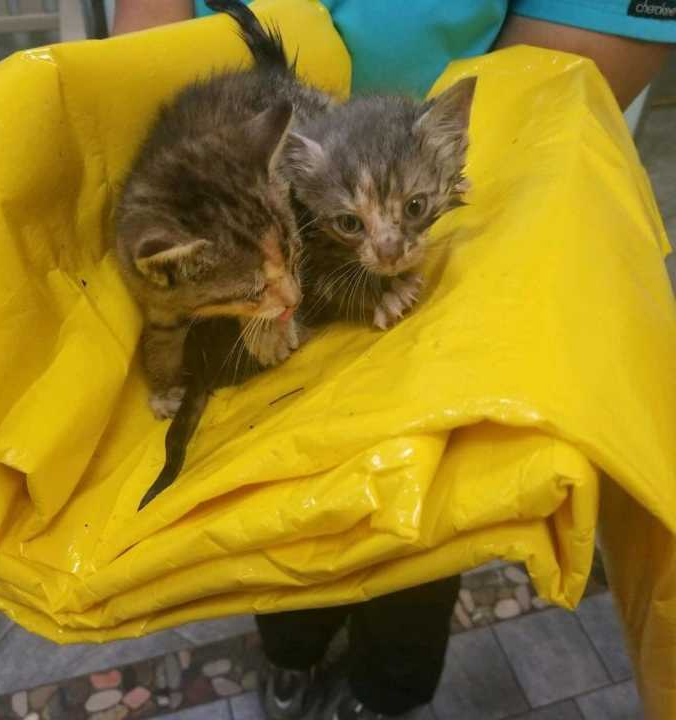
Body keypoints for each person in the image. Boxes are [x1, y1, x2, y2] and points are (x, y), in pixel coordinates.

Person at [112, 2, 674, 718]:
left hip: (402, 240)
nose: (387, 250)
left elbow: (553, 88)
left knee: (426, 526)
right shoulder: (285, 203)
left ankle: (384, 694)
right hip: (280, 169)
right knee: (274, 517)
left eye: (407, 218)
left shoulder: (414, 180)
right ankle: (291, 655)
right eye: (358, 227)